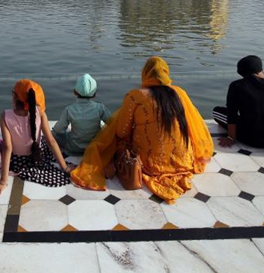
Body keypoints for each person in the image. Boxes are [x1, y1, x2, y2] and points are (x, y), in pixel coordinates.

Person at [71, 56, 213, 203]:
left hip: (150, 164)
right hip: (184, 160)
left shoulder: (136, 96)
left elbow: (122, 132)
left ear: (145, 74)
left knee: (114, 141)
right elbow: (192, 125)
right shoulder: (179, 93)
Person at [0, 79, 72, 197]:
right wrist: (65, 168)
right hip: (37, 158)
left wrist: (3, 181)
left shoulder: (5, 115)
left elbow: (7, 147)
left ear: (14, 97)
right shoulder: (40, 113)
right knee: (43, 142)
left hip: (17, 162)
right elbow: (51, 141)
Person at [52, 73, 111, 156]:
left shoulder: (69, 109)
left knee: (53, 134)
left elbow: (58, 130)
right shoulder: (100, 108)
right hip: (94, 146)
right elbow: (112, 123)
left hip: (74, 147)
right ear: (94, 94)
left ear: (75, 92)